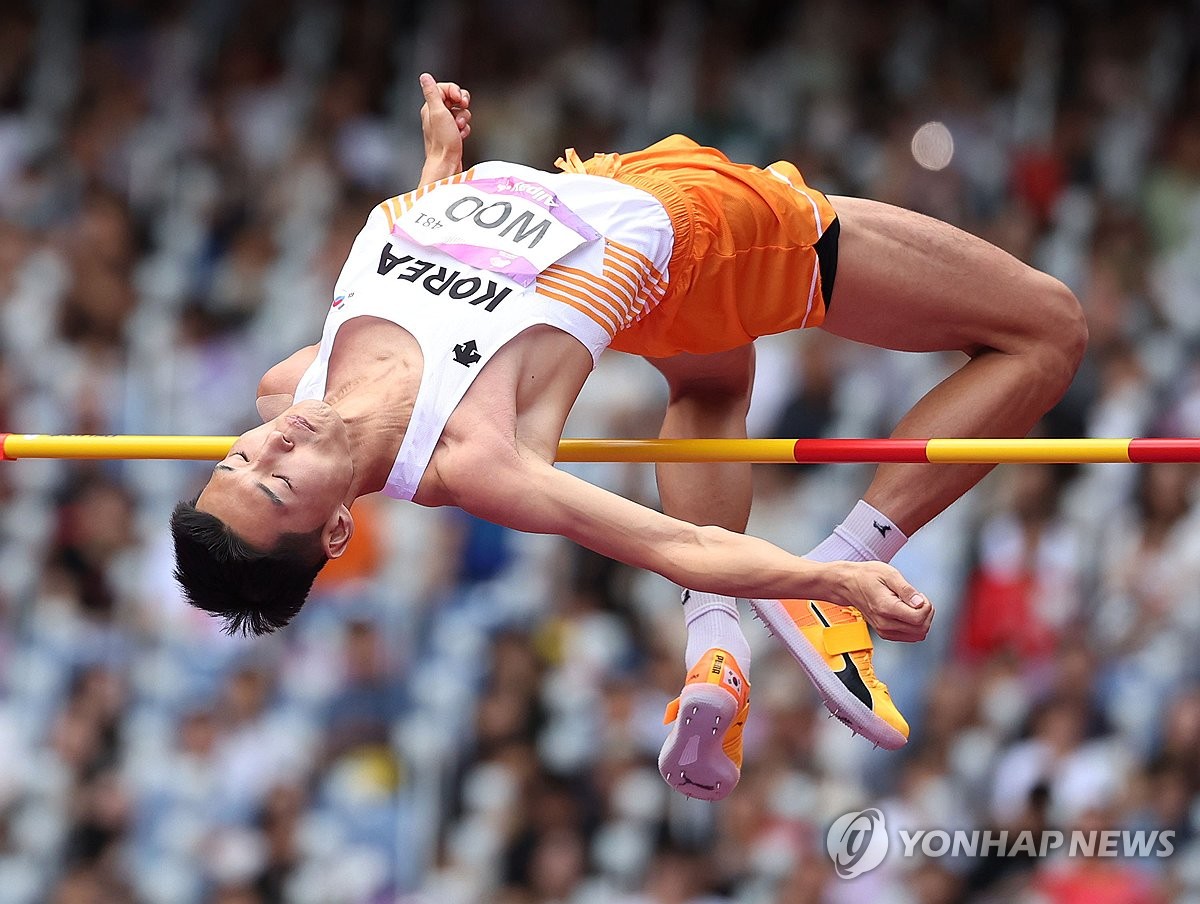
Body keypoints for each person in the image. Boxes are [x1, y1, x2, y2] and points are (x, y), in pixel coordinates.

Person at [171, 74, 1087, 801]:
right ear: (338, 531)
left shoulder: (291, 385)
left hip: (613, 208)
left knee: (712, 389)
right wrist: (834, 575)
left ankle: (715, 648)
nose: (274, 444)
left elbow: (452, 287)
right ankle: (853, 555)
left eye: (242, 457)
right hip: (711, 238)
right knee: (1046, 330)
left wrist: (438, 173)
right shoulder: (477, 459)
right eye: (280, 483)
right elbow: (674, 542)